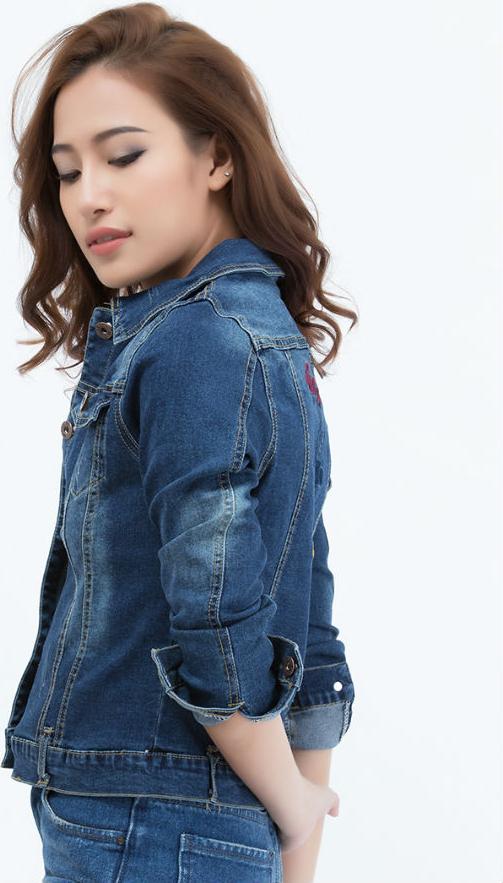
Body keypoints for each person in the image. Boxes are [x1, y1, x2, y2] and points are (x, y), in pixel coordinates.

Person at [2, 4, 358, 881]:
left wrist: (291, 804)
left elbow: (216, 615)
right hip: (188, 818)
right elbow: (304, 605)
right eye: (67, 171)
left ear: (218, 157)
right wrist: (297, 818)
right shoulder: (260, 340)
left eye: (123, 155)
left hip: (146, 814)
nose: (88, 195)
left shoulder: (198, 340)